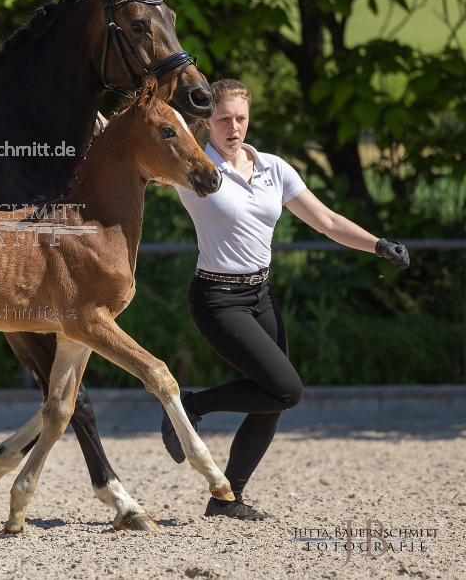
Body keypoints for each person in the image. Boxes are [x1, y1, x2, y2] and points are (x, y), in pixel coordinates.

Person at [161, 78, 410, 520]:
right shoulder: (194, 168)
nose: (233, 128)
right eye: (223, 120)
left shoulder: (275, 168)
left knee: (273, 399)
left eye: (241, 118)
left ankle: (226, 501)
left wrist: (377, 244)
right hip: (217, 298)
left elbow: (326, 220)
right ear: (207, 122)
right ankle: (191, 406)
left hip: (260, 295)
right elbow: (141, 152)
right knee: (286, 389)